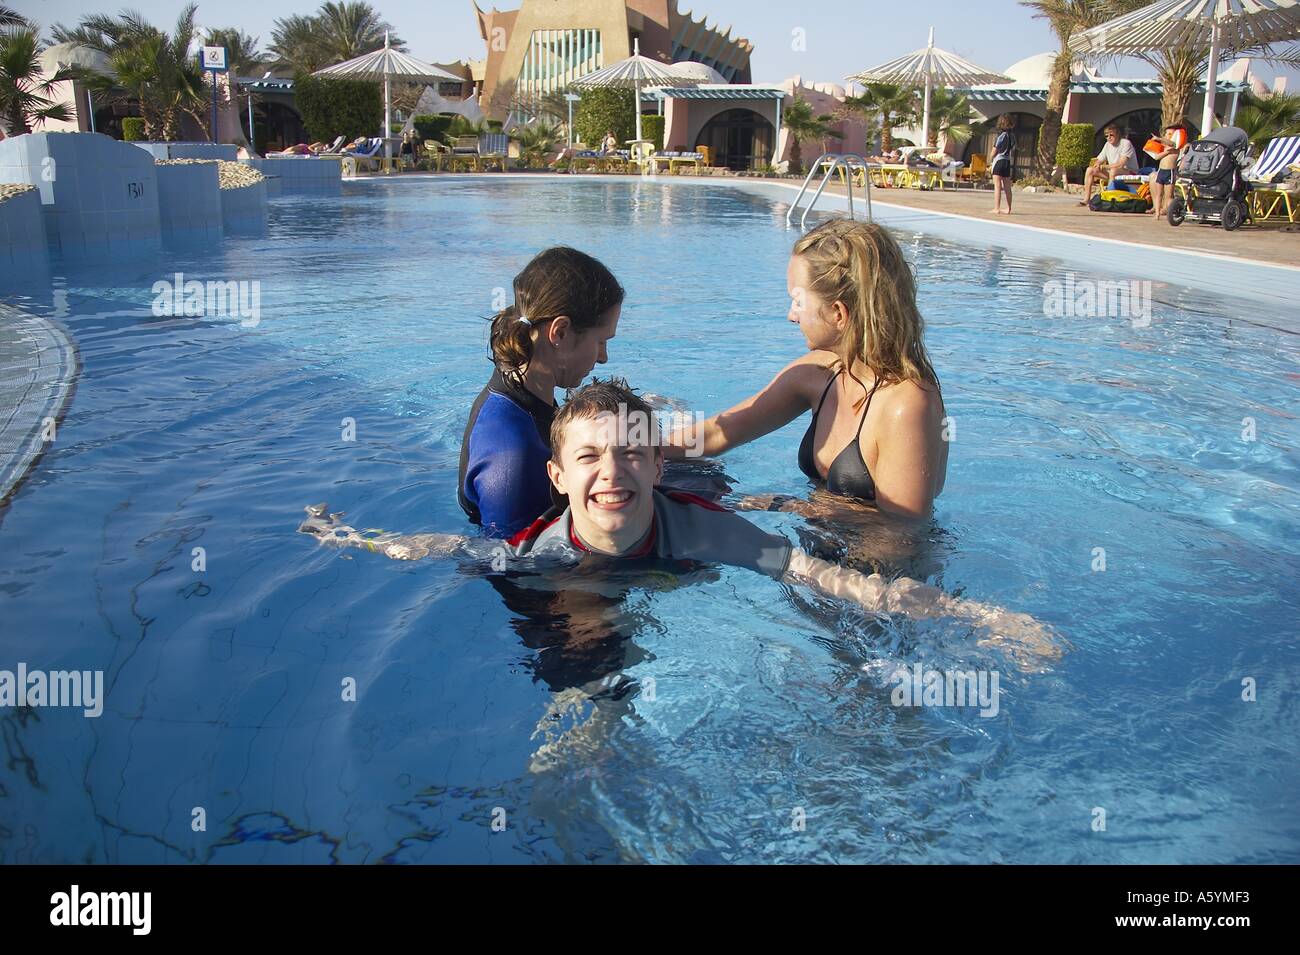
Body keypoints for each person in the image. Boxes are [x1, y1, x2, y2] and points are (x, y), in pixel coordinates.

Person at [302, 379, 1059, 666]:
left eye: (632, 453)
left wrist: (978, 615)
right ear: (557, 479)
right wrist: (351, 537)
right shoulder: (540, 545)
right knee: (580, 641)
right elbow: (443, 548)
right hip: (595, 571)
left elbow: (826, 576)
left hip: (676, 538)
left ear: (655, 464)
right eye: (591, 459)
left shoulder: (706, 530)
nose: (612, 471)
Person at [664, 218, 948, 521]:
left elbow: (904, 533)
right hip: (818, 553)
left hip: (878, 568)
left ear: (838, 312)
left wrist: (795, 507)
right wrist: (629, 449)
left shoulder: (906, 405)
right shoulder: (818, 374)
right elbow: (718, 434)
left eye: (797, 301)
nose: (791, 316)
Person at [458, 247, 624, 538]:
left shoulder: (525, 386)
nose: (603, 357)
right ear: (559, 333)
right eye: (601, 341)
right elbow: (515, 573)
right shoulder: (512, 461)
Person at [1079, 125, 1138, 205]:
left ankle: (1108, 199)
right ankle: (1086, 199)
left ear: (1118, 135)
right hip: (1112, 173)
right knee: (1090, 170)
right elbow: (1099, 159)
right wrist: (1097, 164)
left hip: (1130, 172)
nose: (1109, 138)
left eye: (1111, 135)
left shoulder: (1125, 143)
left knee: (1113, 171)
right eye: (1106, 136)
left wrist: (1105, 166)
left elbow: (1121, 164)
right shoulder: (1107, 145)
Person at [1145, 124, 1188, 218]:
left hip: (1170, 172)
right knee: (1159, 194)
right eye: (1166, 134)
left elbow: (1174, 144)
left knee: (1169, 196)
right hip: (1161, 171)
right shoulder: (1165, 149)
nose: (1166, 136)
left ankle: (1175, 211)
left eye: (1170, 134)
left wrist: (1159, 139)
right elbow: (1157, 157)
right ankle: (1157, 213)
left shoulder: (1176, 147)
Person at [990, 114, 1016, 215]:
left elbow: (994, 151)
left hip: (999, 161)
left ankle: (997, 208)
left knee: (997, 186)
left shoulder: (1001, 136)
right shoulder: (1012, 136)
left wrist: (990, 159)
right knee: (1007, 187)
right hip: (1007, 161)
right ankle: (1009, 208)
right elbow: (1013, 149)